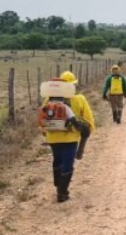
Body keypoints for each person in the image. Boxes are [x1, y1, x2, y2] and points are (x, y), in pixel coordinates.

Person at [41, 71, 95, 202]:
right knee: (68, 163)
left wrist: (46, 134)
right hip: (70, 139)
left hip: (53, 138)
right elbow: (88, 120)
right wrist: (87, 130)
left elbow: (43, 118)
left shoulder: (49, 99)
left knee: (57, 160)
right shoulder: (79, 99)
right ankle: (62, 192)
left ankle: (58, 185)